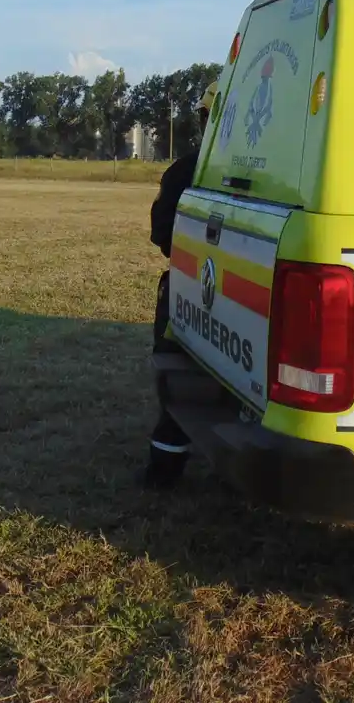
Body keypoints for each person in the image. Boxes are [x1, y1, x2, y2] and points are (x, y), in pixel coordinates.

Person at [142, 80, 218, 488]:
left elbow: (162, 235)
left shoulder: (184, 171)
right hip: (251, 297)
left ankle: (163, 475)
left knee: (179, 389)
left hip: (187, 294)